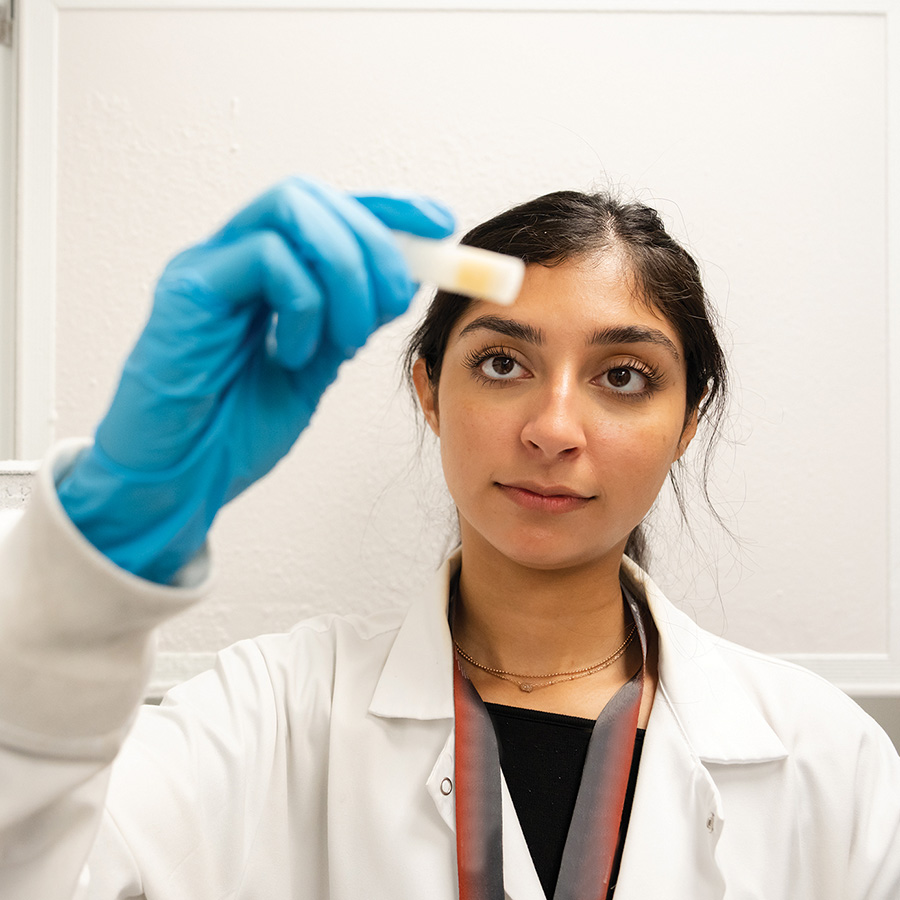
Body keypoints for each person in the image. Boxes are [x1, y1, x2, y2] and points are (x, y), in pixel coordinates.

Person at [0, 176, 898, 900]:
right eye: (503, 363)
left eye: (622, 376)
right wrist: (105, 550)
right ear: (431, 390)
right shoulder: (266, 717)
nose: (554, 429)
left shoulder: (833, 761)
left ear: (688, 421)